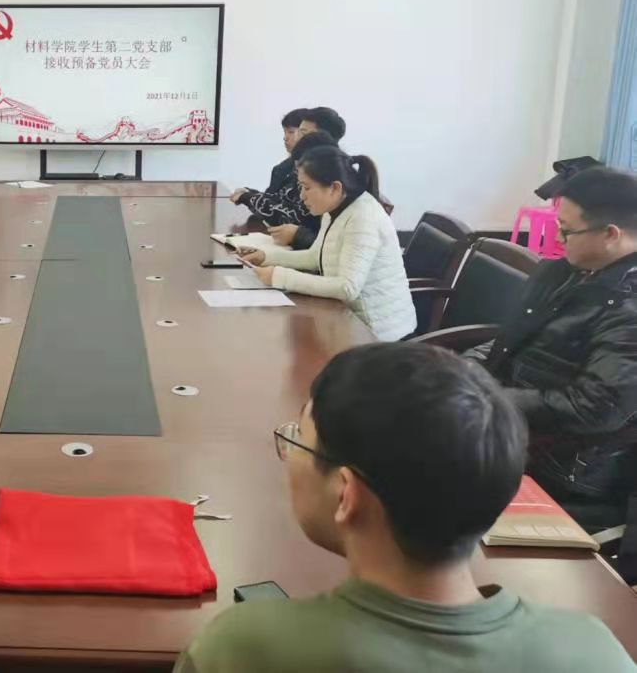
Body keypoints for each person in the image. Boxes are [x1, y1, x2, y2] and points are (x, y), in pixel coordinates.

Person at [174, 342, 636, 673]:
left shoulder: (241, 649)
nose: (289, 451)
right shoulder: (595, 653)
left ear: (346, 493)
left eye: (298, 439)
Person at [471, 166, 637, 521]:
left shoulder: (629, 308)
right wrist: (461, 371)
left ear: (610, 234)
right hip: (509, 428)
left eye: (566, 229)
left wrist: (486, 396)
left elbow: (595, 407)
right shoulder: (563, 272)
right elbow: (508, 340)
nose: (557, 237)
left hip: (562, 467)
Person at [239, 146, 415, 341]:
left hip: (378, 335)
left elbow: (347, 288)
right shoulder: (336, 208)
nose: (302, 196)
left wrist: (279, 276)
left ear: (334, 188)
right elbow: (315, 257)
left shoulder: (363, 217)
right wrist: (266, 257)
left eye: (306, 187)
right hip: (348, 320)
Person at [231, 130, 339, 251]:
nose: (302, 196)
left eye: (301, 133)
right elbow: (280, 200)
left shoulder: (346, 209)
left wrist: (298, 236)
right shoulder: (293, 172)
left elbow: (326, 248)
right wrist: (251, 194)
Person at [230, 108, 307, 206]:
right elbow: (272, 198)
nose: (285, 137)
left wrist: (247, 197)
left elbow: (287, 210)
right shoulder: (281, 169)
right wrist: (248, 192)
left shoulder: (310, 169)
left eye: (291, 132)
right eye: (285, 132)